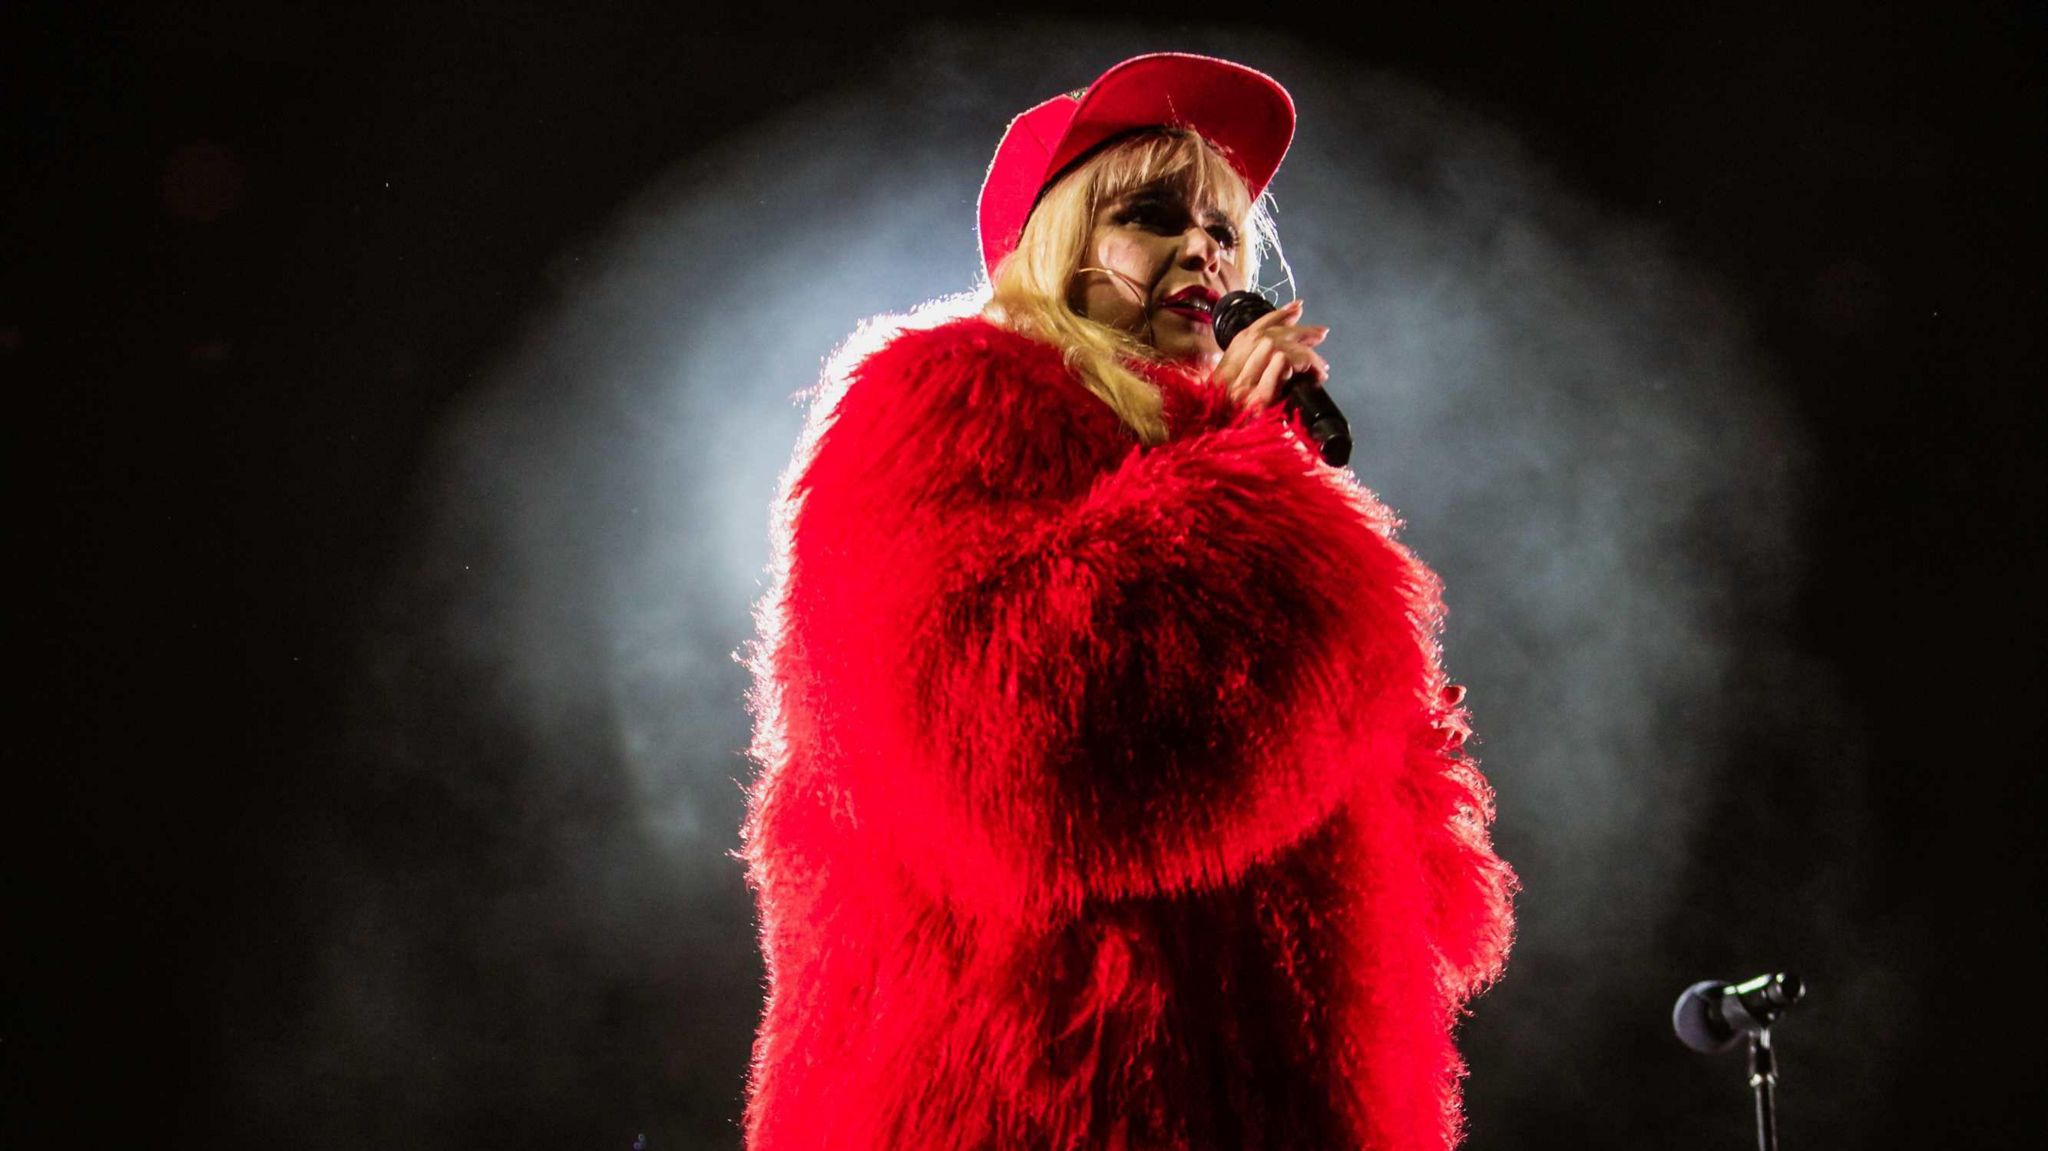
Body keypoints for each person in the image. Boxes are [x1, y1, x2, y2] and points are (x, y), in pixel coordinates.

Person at [741, 52, 1514, 1151]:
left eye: (1222, 229)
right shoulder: (932, 413)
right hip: (1024, 1095)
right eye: (1153, 216)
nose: (1203, 248)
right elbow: (1018, 763)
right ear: (1055, 243)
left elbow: (1367, 846)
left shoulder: (1228, 460)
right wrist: (1245, 490)